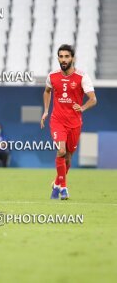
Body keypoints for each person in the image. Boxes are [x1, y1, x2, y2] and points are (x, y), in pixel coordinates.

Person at [41, 44, 97, 200]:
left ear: (72, 58)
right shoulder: (52, 76)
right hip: (57, 120)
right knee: (61, 151)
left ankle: (57, 184)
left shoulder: (82, 77)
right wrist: (46, 110)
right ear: (58, 58)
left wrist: (83, 107)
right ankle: (64, 189)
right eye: (61, 56)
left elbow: (93, 99)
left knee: (68, 158)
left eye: (66, 56)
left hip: (74, 123)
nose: (63, 59)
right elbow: (47, 91)